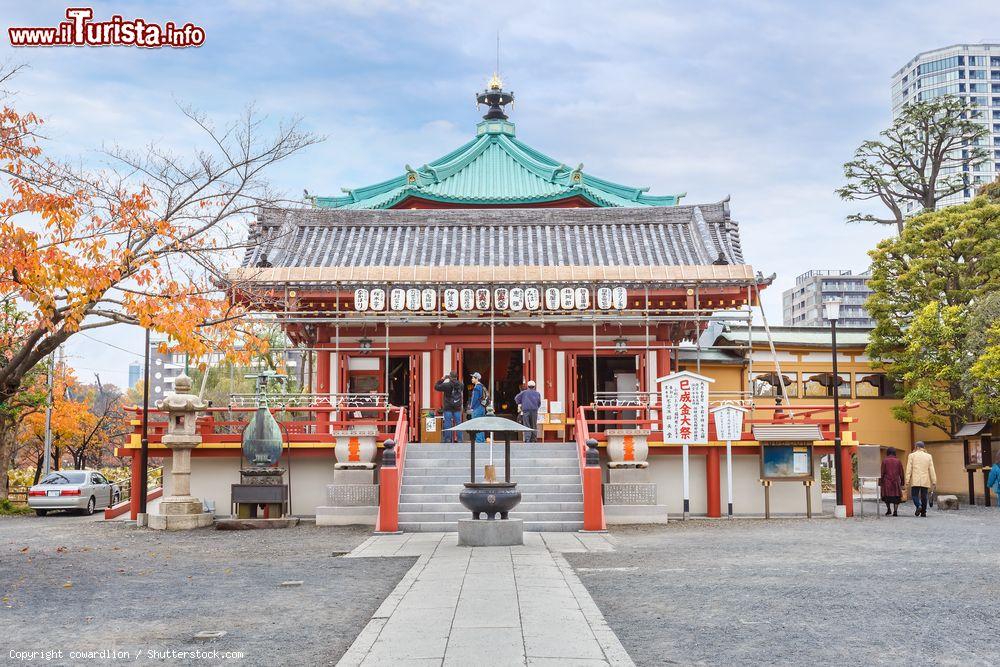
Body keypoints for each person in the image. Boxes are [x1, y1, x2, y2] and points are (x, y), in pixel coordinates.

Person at [905, 441, 936, 517]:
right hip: (925, 479)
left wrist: (907, 480)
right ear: (923, 447)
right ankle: (923, 512)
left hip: (916, 479)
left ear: (917, 447)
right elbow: (931, 469)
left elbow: (909, 469)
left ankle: (918, 505)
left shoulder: (911, 455)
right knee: (924, 496)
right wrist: (934, 480)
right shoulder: (929, 456)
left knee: (914, 495)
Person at [434, 371, 463, 444]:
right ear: (456, 376)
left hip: (448, 407)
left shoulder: (446, 385)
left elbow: (436, 387)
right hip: (457, 407)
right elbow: (459, 386)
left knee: (448, 423)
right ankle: (460, 440)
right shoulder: (461, 384)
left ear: (449, 377)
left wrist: (442, 379)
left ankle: (448, 440)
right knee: (458, 423)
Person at [879, 447, 904, 516]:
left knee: (887, 497)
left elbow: (882, 472)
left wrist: (880, 482)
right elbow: (901, 472)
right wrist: (902, 482)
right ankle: (895, 511)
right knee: (896, 497)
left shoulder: (884, 461)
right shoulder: (898, 461)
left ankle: (888, 509)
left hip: (886, 481)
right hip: (896, 481)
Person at [468, 372, 487, 443]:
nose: (471, 379)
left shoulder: (476, 387)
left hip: (477, 408)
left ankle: (479, 440)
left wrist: (471, 407)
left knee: (476, 424)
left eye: (473, 377)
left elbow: (474, 399)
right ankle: (482, 439)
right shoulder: (482, 386)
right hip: (482, 407)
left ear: (476, 378)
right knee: (481, 424)